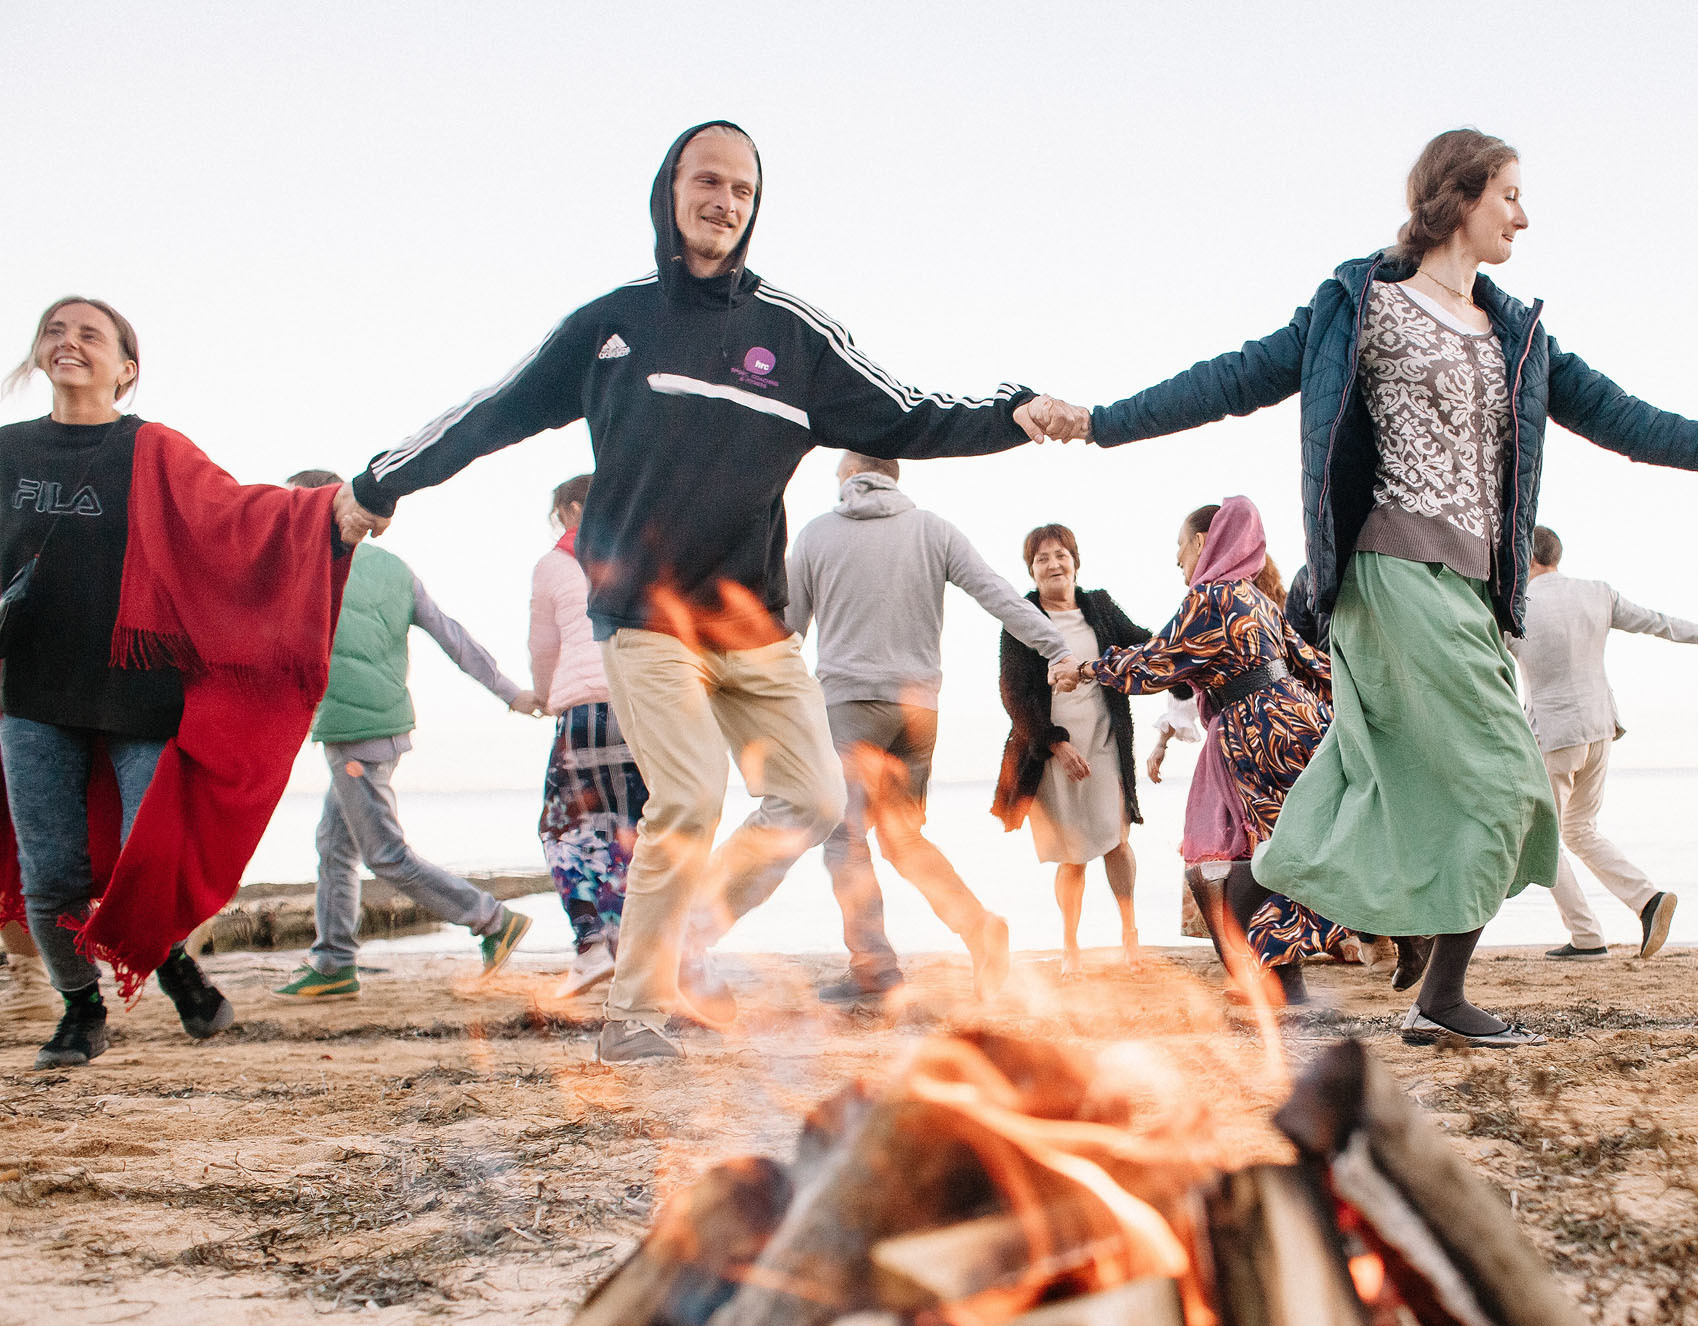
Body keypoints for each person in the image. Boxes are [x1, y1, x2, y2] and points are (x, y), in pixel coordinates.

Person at [331, 122, 1070, 1063]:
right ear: (670, 189)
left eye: (743, 190)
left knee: (810, 799)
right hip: (644, 619)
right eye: (707, 181)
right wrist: (381, 482)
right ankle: (636, 1013)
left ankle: (682, 942)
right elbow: (496, 409)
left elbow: (908, 414)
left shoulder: (794, 336)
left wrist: (1013, 413)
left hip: (754, 628)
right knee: (688, 795)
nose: (724, 202)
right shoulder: (613, 325)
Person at [1028, 130, 1698, 1046]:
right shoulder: (1362, 302)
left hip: (1474, 591)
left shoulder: (1518, 335)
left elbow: (1627, 419)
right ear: (1458, 196)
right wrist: (1100, 422)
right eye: (1509, 194)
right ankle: (1442, 1001)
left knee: (1370, 779)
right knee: (1509, 782)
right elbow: (1232, 378)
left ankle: (1258, 898)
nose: (1523, 216)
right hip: (1389, 571)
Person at [0, 296, 348, 1065]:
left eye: (90, 333)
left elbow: (236, 518)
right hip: (31, 690)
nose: (68, 341)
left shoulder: (153, 448)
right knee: (49, 875)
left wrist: (328, 513)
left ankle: (174, 963)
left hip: (139, 686)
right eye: (55, 330)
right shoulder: (7, 450)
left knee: (147, 860)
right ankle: (81, 1009)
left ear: (126, 369)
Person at [706, 453, 1076, 1007]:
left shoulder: (816, 535)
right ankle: (978, 927)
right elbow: (997, 593)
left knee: (845, 838)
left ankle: (874, 969)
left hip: (849, 707)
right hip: (919, 713)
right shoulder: (933, 530)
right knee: (903, 839)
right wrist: (1057, 647)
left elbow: (786, 635)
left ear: (850, 472)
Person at [270, 472, 540, 1000]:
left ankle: (491, 917)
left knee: (385, 854)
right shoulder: (393, 568)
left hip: (358, 735)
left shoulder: (302, 569)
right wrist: (509, 692)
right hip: (378, 728)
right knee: (335, 845)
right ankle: (334, 962)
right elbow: (452, 635)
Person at [1083, 499, 1350, 1009]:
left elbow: (1156, 662)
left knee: (1244, 860)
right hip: (1295, 722)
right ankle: (1279, 981)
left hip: (1255, 733)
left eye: (1180, 547)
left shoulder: (1210, 596)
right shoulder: (1257, 599)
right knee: (1273, 851)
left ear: (1202, 543)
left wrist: (1089, 668)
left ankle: (1278, 984)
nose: (1177, 559)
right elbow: (1310, 661)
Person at [1513, 523, 1698, 960]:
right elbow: (1659, 623)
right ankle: (1648, 900)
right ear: (1555, 556)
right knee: (1579, 830)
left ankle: (1587, 936)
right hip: (1599, 729)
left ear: (1526, 556)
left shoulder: (1516, 606)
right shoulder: (1598, 593)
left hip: (1553, 736)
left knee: (1542, 837)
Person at [995, 522, 1150, 974]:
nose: (1053, 564)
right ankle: (1070, 948)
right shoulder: (1022, 619)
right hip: (1052, 755)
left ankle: (1130, 935)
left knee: (1117, 840)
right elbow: (1014, 695)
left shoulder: (1099, 606)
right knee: (1072, 856)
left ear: (1075, 562)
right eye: (1041, 558)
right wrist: (1056, 745)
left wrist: (1187, 640)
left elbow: (1142, 642)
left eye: (1060, 554)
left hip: (1104, 743)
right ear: (1032, 570)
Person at [529, 473, 647, 998]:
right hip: (644, 705)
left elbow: (543, 646)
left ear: (575, 509)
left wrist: (542, 693)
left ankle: (593, 944)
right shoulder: (644, 551)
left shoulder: (554, 564)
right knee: (638, 828)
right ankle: (640, 947)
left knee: (563, 828)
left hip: (583, 712)